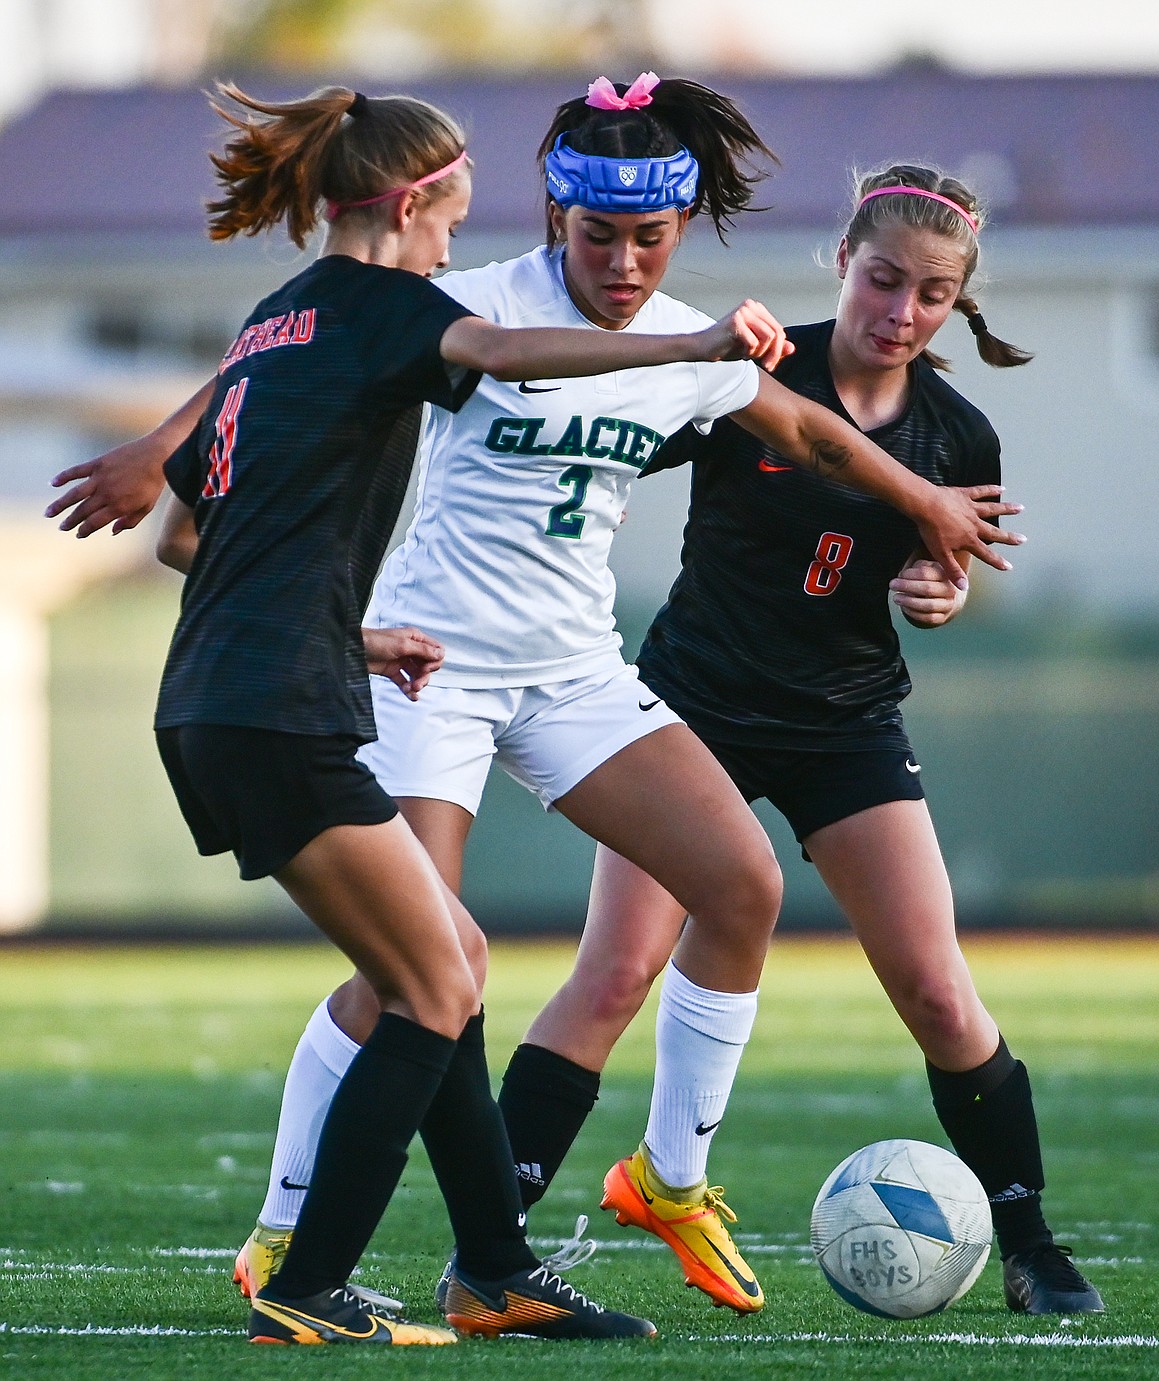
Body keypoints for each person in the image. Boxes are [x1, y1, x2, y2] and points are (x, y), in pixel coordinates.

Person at [47, 77, 1022, 1321]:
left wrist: (925, 503)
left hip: (573, 671)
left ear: (679, 234)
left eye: (648, 240)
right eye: (597, 234)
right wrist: (161, 446)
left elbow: (816, 436)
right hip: (430, 664)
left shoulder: (691, 341)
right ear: (553, 216)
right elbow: (294, 345)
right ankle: (285, 1228)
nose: (623, 262)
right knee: (410, 968)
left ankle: (664, 1184)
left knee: (742, 885)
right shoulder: (469, 301)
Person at [124, 76, 802, 1347]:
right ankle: (310, 1278)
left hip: (255, 689)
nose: (456, 253)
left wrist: (356, 628)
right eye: (452, 219)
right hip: (280, 706)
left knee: (446, 969)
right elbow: (500, 351)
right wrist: (688, 345)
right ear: (412, 202)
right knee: (433, 983)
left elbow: (183, 531)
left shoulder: (280, 318)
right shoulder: (399, 307)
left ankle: (489, 1266)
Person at [511, 164, 1102, 1317]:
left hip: (845, 722)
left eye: (932, 295)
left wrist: (942, 595)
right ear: (843, 259)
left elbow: (944, 571)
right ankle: (497, 1238)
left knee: (937, 989)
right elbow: (614, 433)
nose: (901, 310)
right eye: (884, 279)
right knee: (617, 969)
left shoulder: (957, 430)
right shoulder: (755, 369)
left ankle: (1031, 1241)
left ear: (953, 303)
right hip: (690, 713)